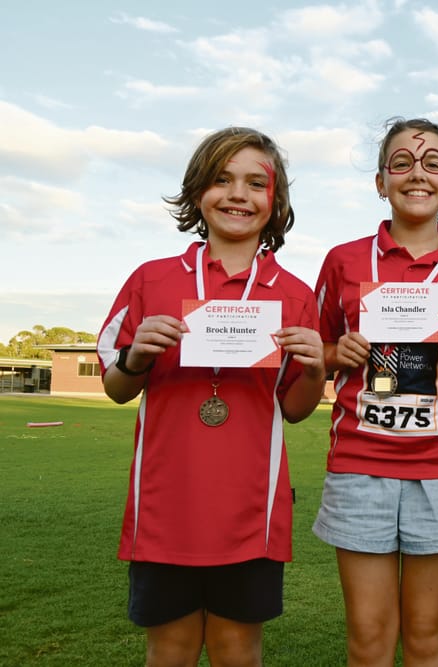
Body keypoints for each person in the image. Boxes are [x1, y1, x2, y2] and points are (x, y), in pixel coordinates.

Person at [97, 127, 327, 667]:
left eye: (256, 183)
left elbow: (295, 409)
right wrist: (136, 356)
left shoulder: (295, 295)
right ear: (198, 190)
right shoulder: (151, 280)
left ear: (275, 201)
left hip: (250, 512)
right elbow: (116, 388)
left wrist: (317, 367)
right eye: (222, 179)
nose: (237, 195)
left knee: (237, 652)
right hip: (165, 509)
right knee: (170, 651)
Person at [312, 117, 438, 666]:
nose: (417, 174)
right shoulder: (343, 261)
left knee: (426, 637)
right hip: (360, 465)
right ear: (381, 181)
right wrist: (337, 352)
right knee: (368, 639)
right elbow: (315, 348)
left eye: (432, 164)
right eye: (402, 163)